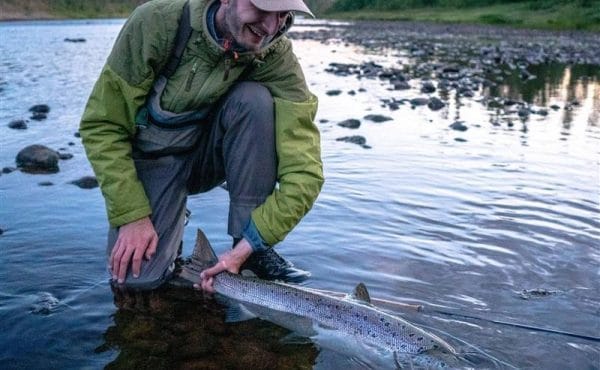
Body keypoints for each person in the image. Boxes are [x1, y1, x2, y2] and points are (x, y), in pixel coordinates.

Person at [80, 0, 324, 292]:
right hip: (150, 163)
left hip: (205, 158)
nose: (271, 27)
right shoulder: (156, 22)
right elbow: (103, 125)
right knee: (138, 284)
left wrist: (251, 244)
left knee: (255, 101)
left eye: (283, 14)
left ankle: (249, 249)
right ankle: (167, 212)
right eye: (262, 8)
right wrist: (132, 215)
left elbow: (305, 170)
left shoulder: (275, 56)